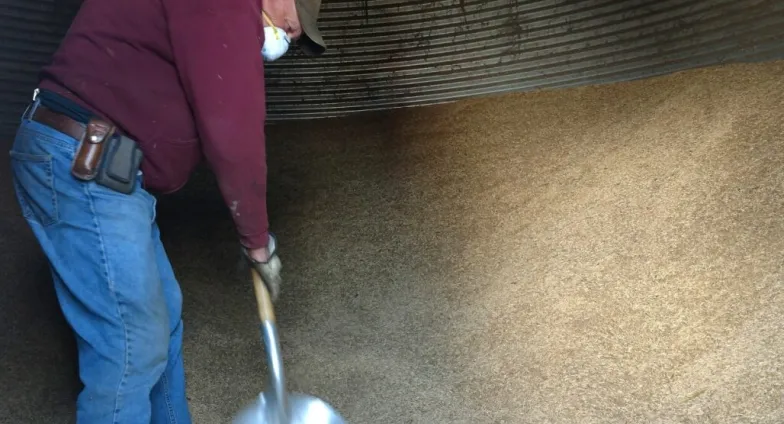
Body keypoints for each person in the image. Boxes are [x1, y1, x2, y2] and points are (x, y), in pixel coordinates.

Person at [6, 0, 326, 422]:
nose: (291, 38)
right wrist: (257, 242)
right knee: (131, 345)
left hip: (108, 170)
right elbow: (233, 132)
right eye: (295, 25)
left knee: (162, 321)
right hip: (82, 159)